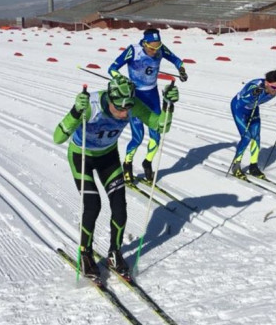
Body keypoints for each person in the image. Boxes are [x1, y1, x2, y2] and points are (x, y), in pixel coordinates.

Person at [53, 76, 179, 277]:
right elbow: (57, 137)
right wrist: (76, 111)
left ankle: (114, 252)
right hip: (82, 155)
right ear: (110, 100)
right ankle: (85, 253)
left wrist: (168, 106)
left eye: (127, 109)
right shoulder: (90, 105)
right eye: (119, 109)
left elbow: (160, 126)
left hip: (108, 155)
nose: (124, 114)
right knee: (92, 204)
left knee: (119, 204)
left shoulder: (132, 104)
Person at [108, 28, 187, 183]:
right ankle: (127, 164)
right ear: (144, 43)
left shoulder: (160, 48)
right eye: (152, 48)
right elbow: (112, 69)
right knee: (137, 137)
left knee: (157, 135)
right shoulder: (134, 51)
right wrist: (123, 80)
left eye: (158, 48)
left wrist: (182, 70)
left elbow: (177, 60)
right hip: (136, 98)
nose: (155, 52)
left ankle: (147, 162)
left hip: (152, 96)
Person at [230, 70, 276, 179]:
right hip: (239, 108)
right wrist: (253, 93)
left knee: (256, 137)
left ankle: (253, 166)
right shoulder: (255, 84)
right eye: (274, 88)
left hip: (253, 109)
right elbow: (243, 98)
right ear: (267, 83)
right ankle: (236, 165)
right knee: (246, 137)